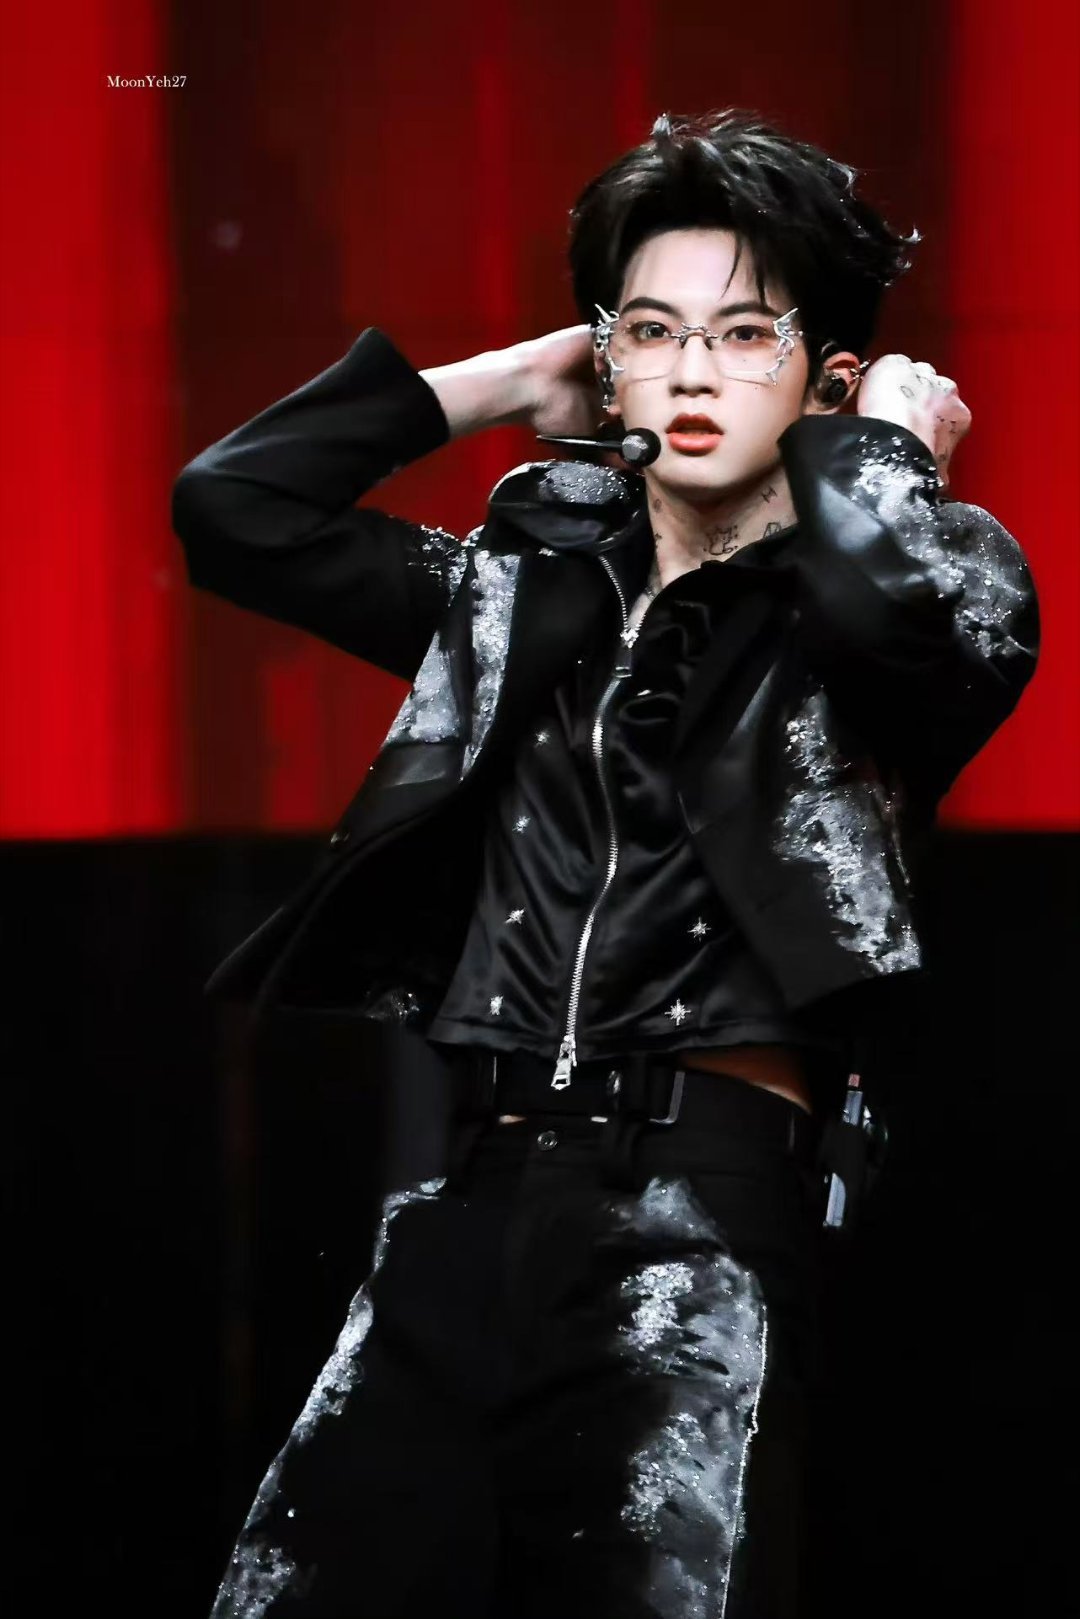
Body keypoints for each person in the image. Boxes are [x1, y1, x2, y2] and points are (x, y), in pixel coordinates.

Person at [172, 109, 1040, 1618]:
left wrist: (887, 451)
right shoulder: (519, 600)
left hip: (700, 1226)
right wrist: (512, 381)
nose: (693, 372)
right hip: (475, 1194)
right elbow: (234, 509)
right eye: (651, 331)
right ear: (609, 359)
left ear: (828, 379)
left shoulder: (931, 582)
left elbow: (888, 607)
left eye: (745, 335)